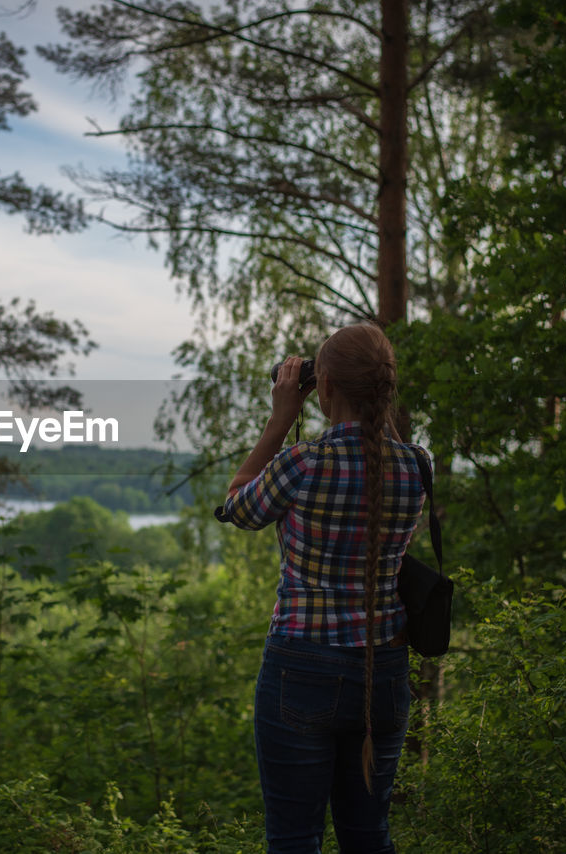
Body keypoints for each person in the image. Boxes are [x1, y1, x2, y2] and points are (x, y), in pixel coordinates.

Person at [214, 322, 429, 854]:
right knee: (368, 836)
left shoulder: (303, 462)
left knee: (294, 840)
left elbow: (236, 505)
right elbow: (381, 461)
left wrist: (281, 417)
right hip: (384, 673)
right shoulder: (417, 466)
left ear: (323, 386)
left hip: (302, 668)